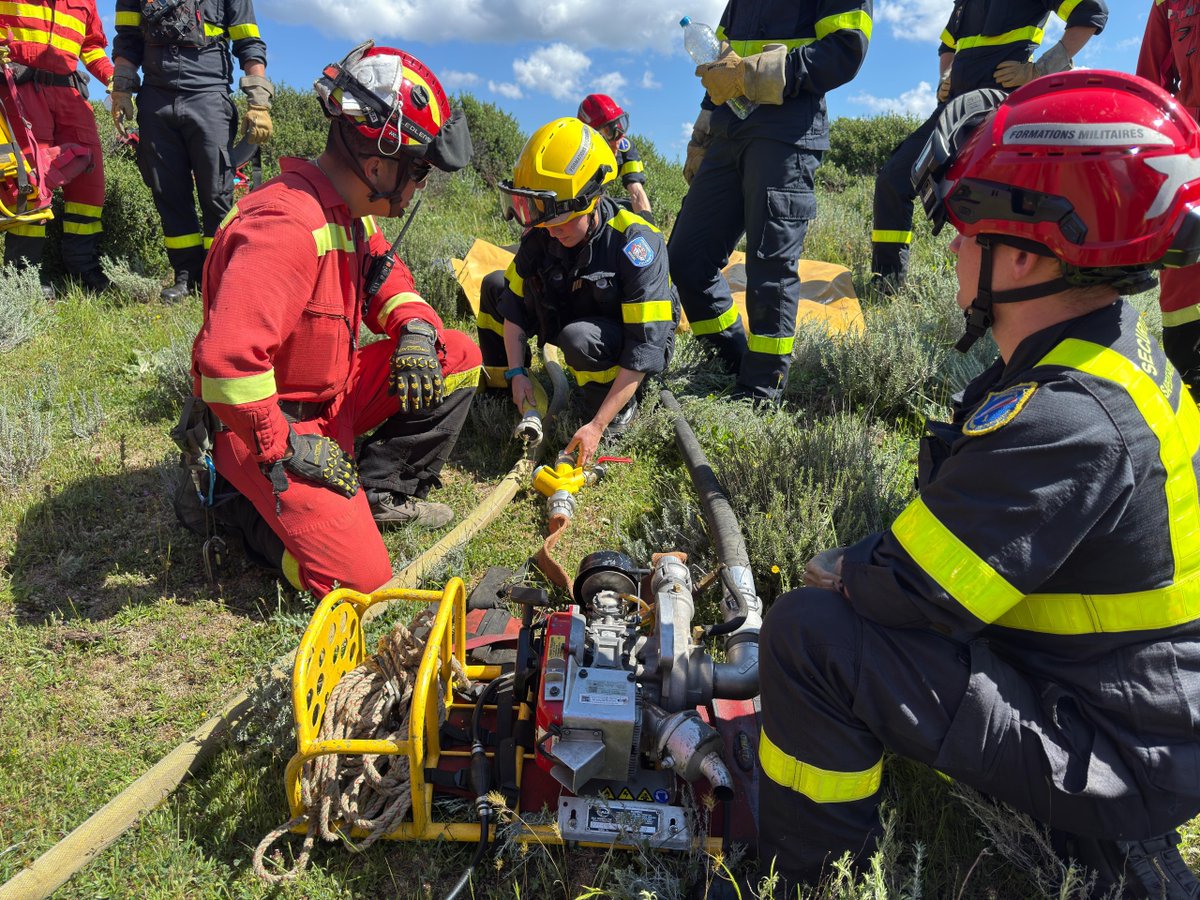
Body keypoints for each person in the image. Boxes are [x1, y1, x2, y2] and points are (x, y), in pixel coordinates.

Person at [757, 72, 1200, 898]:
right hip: (1135, 712)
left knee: (808, 634)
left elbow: (908, 590)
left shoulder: (1061, 417)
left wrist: (844, 568)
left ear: (1029, 249)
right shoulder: (1109, 359)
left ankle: (809, 876)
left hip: (1115, 752)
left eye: (966, 225)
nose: (953, 246)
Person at [187, 42, 480, 598]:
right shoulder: (287, 225)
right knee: (362, 584)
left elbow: (389, 281)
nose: (419, 187)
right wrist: (286, 447)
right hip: (269, 428)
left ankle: (380, 490)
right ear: (378, 164)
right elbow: (227, 368)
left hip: (333, 399)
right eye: (417, 171)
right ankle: (236, 506)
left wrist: (416, 329)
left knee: (456, 354)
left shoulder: (346, 212)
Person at [669, 0, 872, 404]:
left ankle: (761, 392)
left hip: (786, 132)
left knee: (769, 266)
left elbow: (845, 51)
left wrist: (752, 76)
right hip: (729, 133)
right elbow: (719, 64)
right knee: (686, 257)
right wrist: (703, 131)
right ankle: (728, 361)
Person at [479, 117, 678, 466]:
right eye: (545, 226)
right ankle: (506, 395)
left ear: (590, 200)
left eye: (561, 225)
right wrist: (516, 373)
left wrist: (597, 426)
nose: (552, 233)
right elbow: (510, 303)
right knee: (494, 284)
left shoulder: (636, 243)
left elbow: (645, 346)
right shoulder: (545, 230)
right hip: (573, 313)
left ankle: (614, 408)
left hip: (624, 346)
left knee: (578, 338)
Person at [870, 0, 1107, 290]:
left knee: (984, 199)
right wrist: (945, 75)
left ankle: (1001, 291)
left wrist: (1040, 70)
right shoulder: (963, 4)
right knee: (893, 179)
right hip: (952, 110)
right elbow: (947, 45)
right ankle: (887, 283)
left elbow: (1091, 11)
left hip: (998, 107)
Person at [111, 0, 274, 303]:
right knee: (169, 192)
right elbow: (127, 39)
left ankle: (218, 273)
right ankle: (186, 276)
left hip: (208, 94)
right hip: (156, 97)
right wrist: (121, 89)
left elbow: (248, 41)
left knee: (216, 191)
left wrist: (259, 101)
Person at [1, 0, 115, 295]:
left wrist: (115, 80)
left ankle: (82, 269)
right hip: (20, 90)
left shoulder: (85, 2)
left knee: (89, 182)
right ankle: (23, 275)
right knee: (30, 182)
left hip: (70, 93)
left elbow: (91, 47)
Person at [1139, 0, 1200, 396]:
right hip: (1192, 145)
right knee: (1183, 268)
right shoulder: (1169, 2)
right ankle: (1192, 381)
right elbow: (1150, 80)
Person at [576, 93, 653, 221]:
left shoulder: (625, 147)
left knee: (628, 208)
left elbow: (636, 191)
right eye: (610, 132)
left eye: (620, 125)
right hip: (579, 209)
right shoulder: (578, 155)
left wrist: (649, 226)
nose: (619, 137)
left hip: (601, 203)